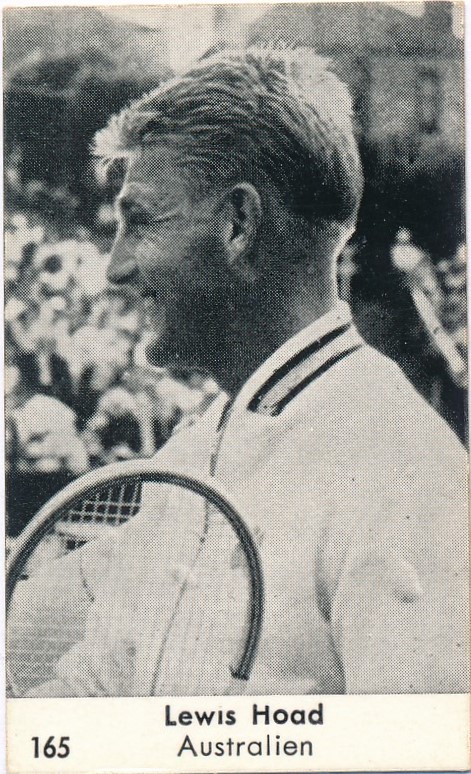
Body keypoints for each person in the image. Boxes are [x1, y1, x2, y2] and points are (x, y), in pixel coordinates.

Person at [13, 47, 468, 696]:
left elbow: (417, 745)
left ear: (237, 225)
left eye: (139, 222)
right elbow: (100, 683)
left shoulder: (406, 472)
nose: (115, 268)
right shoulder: (190, 451)